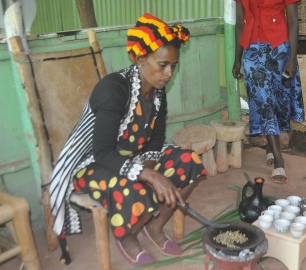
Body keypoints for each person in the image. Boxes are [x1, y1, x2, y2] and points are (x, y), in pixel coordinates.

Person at [48, 13, 207, 266]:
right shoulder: (114, 89)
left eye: (173, 66)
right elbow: (101, 152)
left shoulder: (157, 89)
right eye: (163, 64)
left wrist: (151, 165)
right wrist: (150, 176)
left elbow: (156, 134)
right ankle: (128, 236)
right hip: (92, 163)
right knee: (135, 188)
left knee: (190, 161)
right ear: (140, 59)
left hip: (133, 154)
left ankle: (155, 226)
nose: (168, 73)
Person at [232, 0, 305, 184]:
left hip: (278, 48)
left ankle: (270, 148)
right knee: (263, 102)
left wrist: (292, 58)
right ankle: (279, 162)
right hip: (251, 52)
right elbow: (240, 23)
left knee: (278, 101)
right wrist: (237, 59)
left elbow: (293, 21)